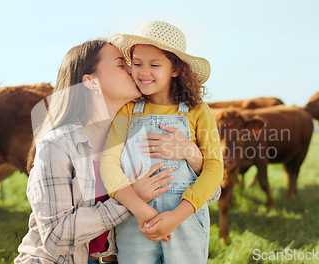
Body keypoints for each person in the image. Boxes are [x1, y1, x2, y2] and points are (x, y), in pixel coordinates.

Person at [14, 39, 207, 264]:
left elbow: (209, 194)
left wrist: (192, 155)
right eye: (120, 64)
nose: (132, 70)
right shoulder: (57, 145)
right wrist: (130, 199)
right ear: (91, 82)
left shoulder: (134, 134)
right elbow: (56, 237)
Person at [99, 21, 223, 264]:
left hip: (185, 219)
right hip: (136, 220)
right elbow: (108, 163)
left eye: (155, 65)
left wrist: (178, 215)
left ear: (175, 69)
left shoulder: (198, 111)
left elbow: (214, 167)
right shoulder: (127, 110)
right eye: (137, 64)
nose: (144, 72)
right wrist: (139, 208)